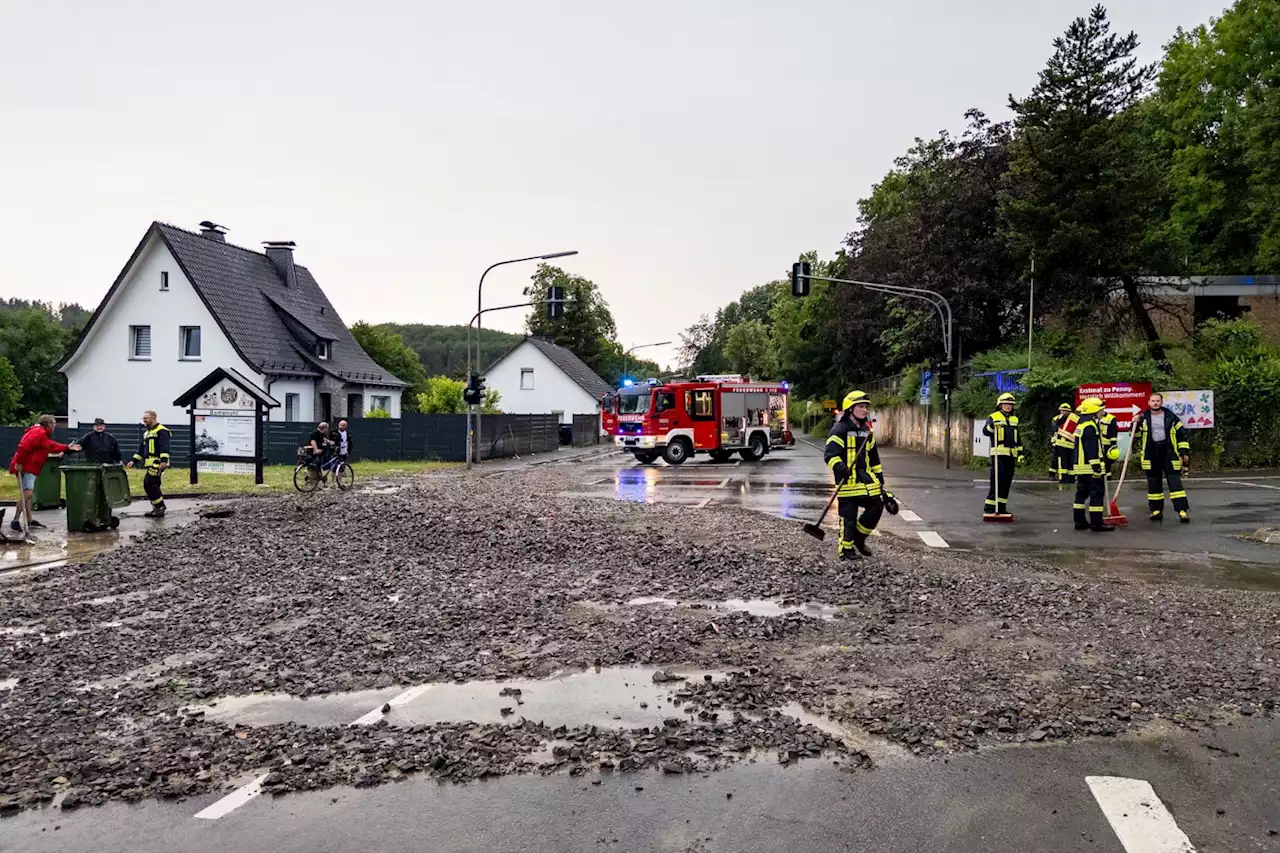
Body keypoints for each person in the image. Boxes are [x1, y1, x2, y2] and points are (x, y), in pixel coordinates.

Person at [824, 390, 890, 561]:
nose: (865, 410)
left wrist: (880, 479)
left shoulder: (866, 431)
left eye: (866, 407)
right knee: (849, 519)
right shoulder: (839, 430)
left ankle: (859, 539)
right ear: (850, 408)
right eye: (861, 406)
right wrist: (840, 467)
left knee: (876, 508)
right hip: (847, 484)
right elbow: (830, 455)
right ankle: (845, 549)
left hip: (866, 482)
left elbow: (874, 458)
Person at [8, 415, 80, 532]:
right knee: (28, 494)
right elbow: (23, 446)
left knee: (28, 496)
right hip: (25, 467)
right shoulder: (38, 433)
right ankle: (15, 520)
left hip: (30, 467)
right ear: (48, 424)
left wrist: (66, 448)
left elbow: (51, 446)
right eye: (54, 424)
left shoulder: (41, 434)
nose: (55, 426)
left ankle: (30, 520)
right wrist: (19, 462)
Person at [1132, 392, 1191, 523]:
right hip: (1151, 453)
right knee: (1154, 485)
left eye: (1157, 401)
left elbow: (1182, 435)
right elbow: (1135, 436)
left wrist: (1184, 452)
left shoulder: (1171, 417)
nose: (1155, 403)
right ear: (1148, 402)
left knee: (1175, 484)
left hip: (1169, 453)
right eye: (1153, 401)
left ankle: (1182, 511)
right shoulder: (1143, 418)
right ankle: (1156, 511)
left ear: (1161, 402)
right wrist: (1134, 424)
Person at [1071, 398, 1113, 532]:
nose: (1103, 411)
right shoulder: (1090, 426)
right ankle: (1097, 523)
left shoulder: (1081, 424)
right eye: (1101, 409)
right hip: (1090, 467)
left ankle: (1079, 521)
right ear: (1094, 410)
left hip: (1081, 466)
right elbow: (1091, 448)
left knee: (1081, 495)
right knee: (1096, 495)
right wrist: (1096, 465)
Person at [982, 393, 1023, 518]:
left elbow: (1018, 438)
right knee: (997, 481)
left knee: (1007, 482)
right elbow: (985, 432)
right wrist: (992, 426)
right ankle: (989, 507)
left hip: (1011, 455)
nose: (1008, 406)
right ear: (1000, 405)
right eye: (1006, 404)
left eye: (1010, 404)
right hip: (998, 455)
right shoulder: (993, 417)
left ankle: (1001, 507)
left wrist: (1020, 453)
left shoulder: (1014, 419)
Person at [125, 411, 170, 518]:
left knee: (149, 484)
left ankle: (160, 507)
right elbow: (141, 450)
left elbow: (164, 447)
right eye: (143, 418)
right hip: (150, 463)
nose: (144, 420)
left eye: (146, 418)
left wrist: (164, 461)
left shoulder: (162, 431)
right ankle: (158, 507)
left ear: (154, 418)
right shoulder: (146, 433)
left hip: (158, 462)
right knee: (152, 485)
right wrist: (133, 461)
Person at [1050, 403, 1073, 483]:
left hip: (1069, 443)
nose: (1064, 412)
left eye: (1066, 411)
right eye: (1062, 411)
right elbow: (1055, 430)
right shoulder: (1056, 419)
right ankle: (1054, 475)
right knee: (1057, 459)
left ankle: (1069, 478)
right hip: (1058, 442)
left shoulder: (1072, 419)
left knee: (1068, 461)